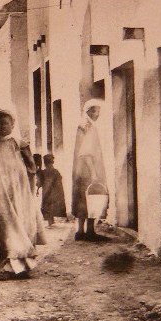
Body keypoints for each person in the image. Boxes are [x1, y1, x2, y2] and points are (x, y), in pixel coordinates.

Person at [0, 110, 44, 280]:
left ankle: (18, 267)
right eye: (0, 123)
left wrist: (28, 187)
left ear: (13, 125)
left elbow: (31, 167)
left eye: (6, 123)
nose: (3, 127)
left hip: (18, 193)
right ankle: (4, 266)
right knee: (3, 228)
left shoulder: (19, 144)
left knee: (19, 225)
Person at [72, 99, 109, 241]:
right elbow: (86, 153)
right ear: (87, 112)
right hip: (88, 168)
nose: (96, 114)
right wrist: (94, 173)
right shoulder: (87, 127)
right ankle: (89, 231)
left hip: (80, 169)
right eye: (94, 111)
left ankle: (81, 231)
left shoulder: (83, 125)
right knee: (90, 197)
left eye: (98, 111)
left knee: (83, 198)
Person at [40, 153, 68, 227]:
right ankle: (51, 221)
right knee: (50, 206)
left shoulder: (44, 172)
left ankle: (50, 221)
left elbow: (40, 182)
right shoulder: (55, 171)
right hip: (53, 192)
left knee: (47, 206)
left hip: (48, 192)